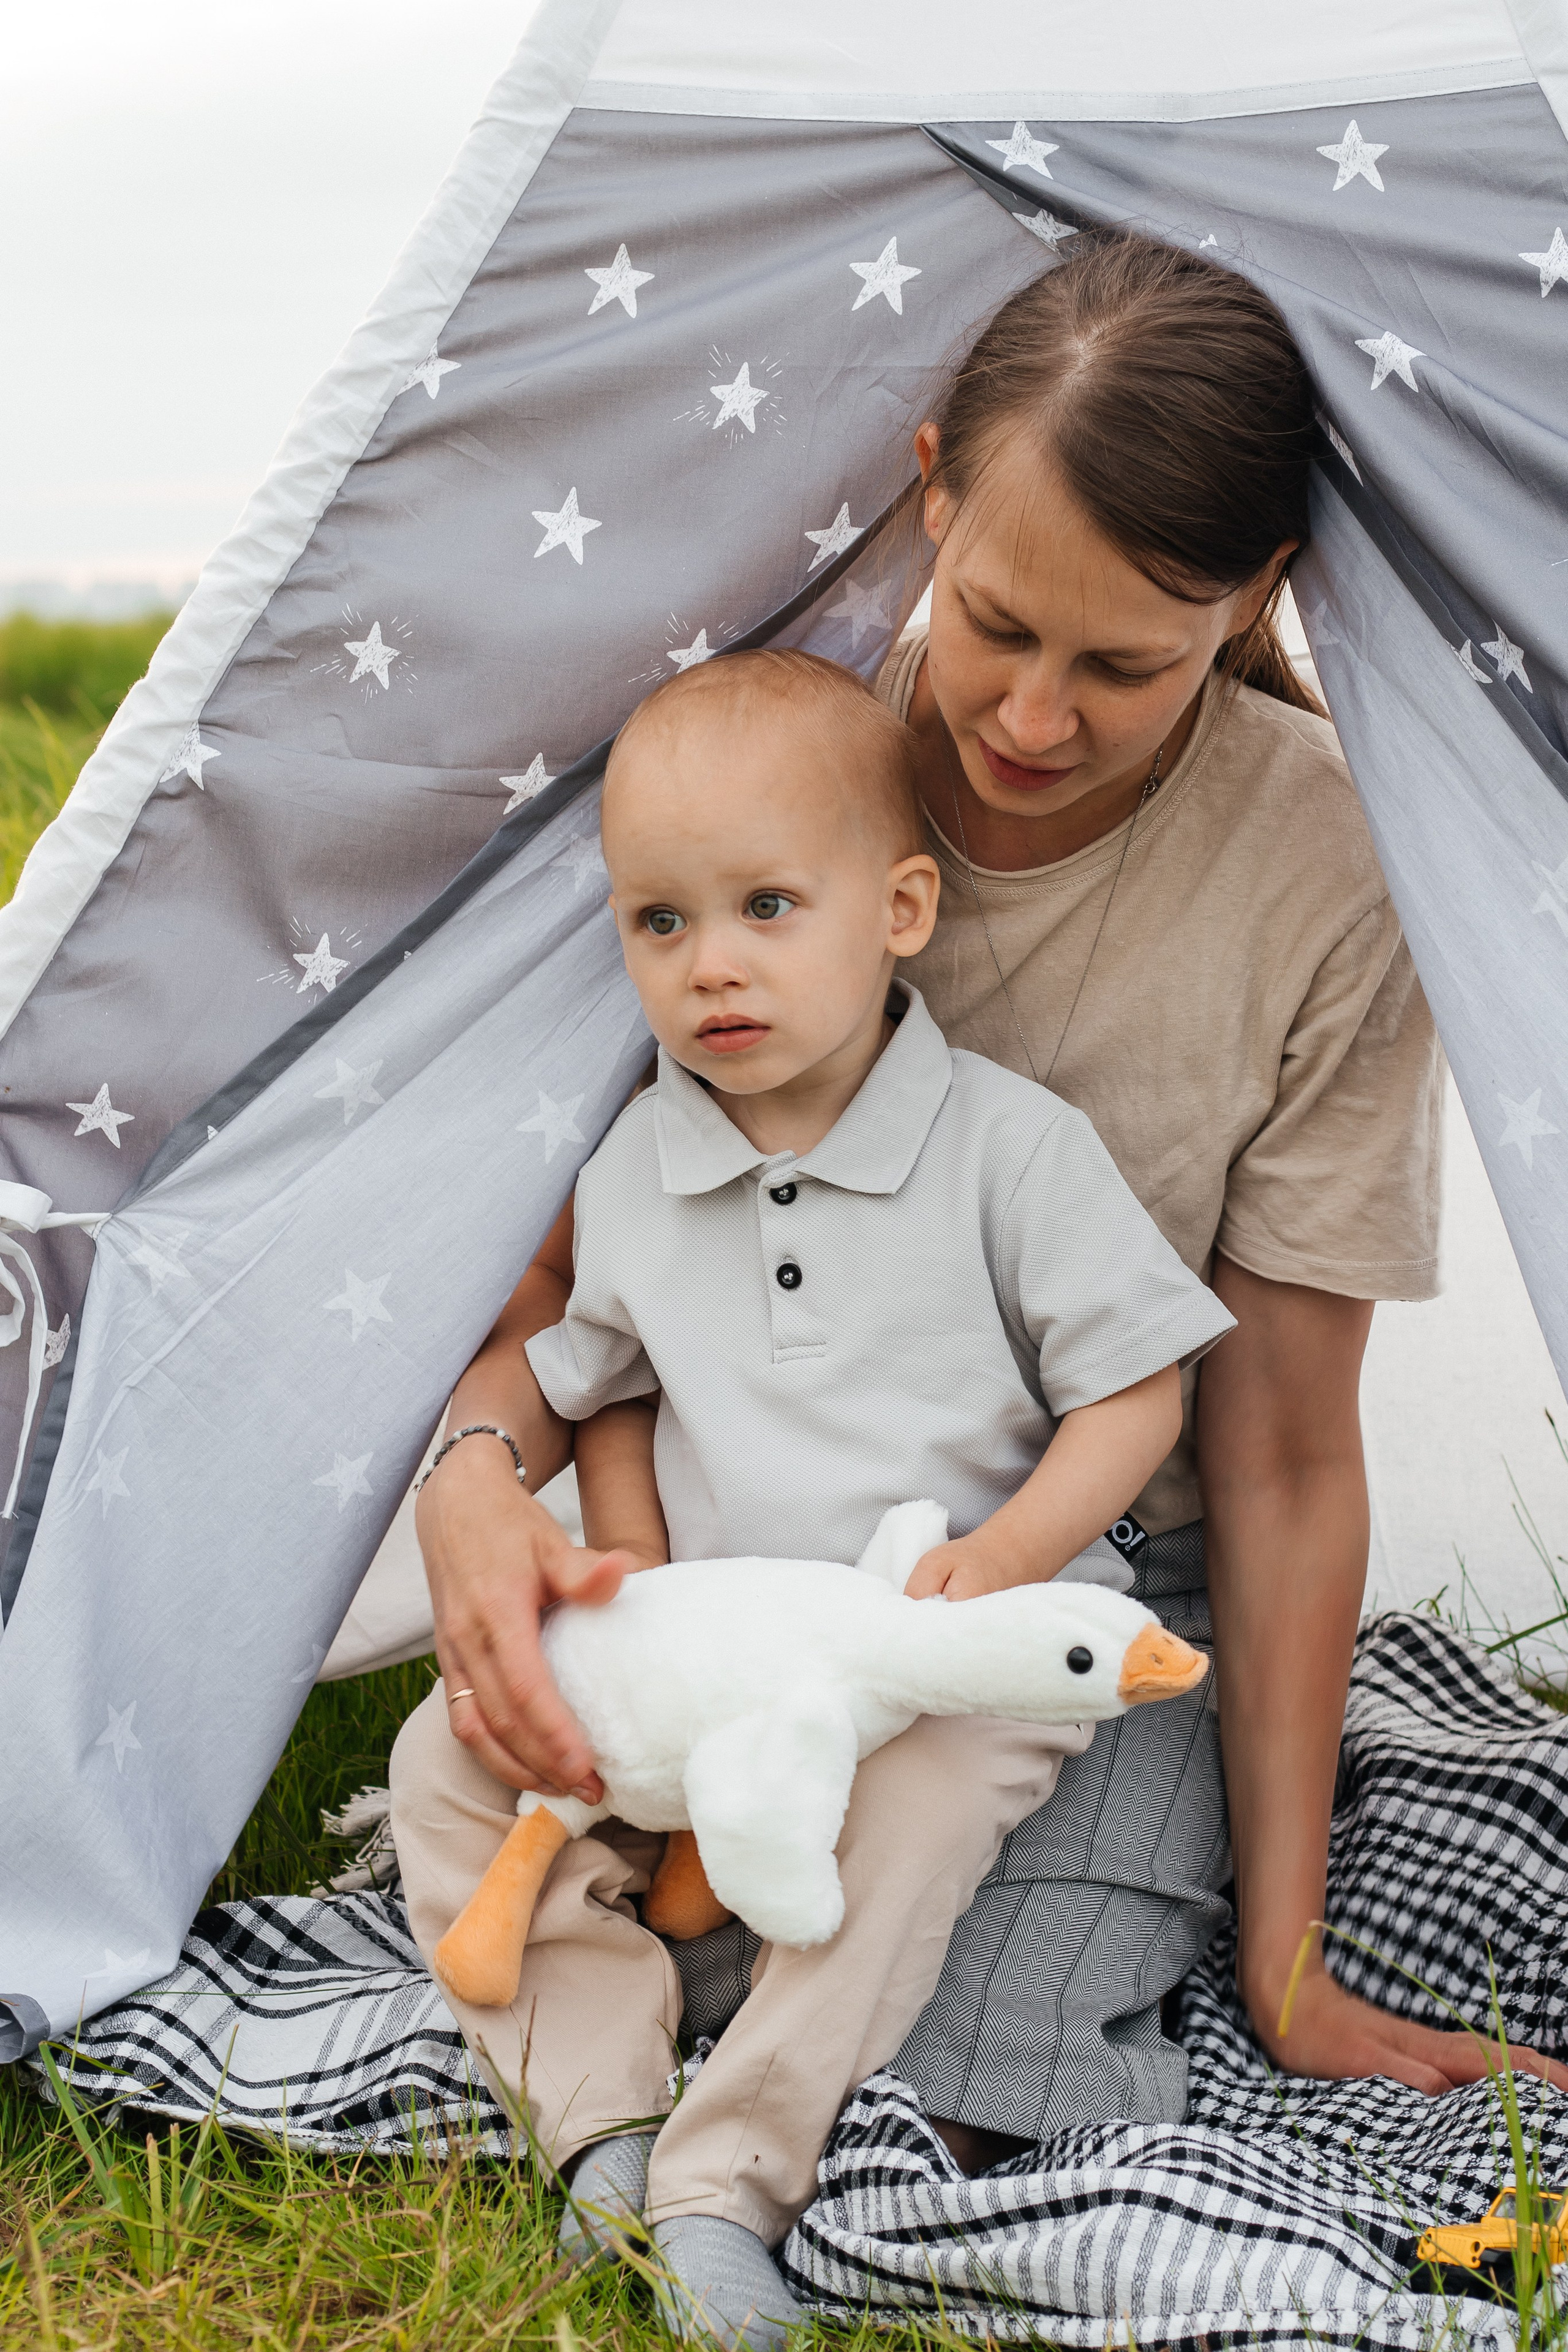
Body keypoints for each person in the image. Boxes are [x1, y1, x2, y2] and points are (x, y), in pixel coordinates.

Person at [408, 233, 1564, 2203]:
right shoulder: (749, 780)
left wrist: (1283, 1964)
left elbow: (1277, 1452)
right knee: (625, 1902)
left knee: (970, 2092)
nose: (1032, 719)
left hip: (1062, 1605)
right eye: (1000, 626)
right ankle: (634, 2108)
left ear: (1256, 596)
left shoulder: (1331, 874)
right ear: (934, 484)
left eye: (1126, 663)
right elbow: (558, 1273)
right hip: (713, 1562)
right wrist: (466, 1488)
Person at [391, 646, 1234, 2346]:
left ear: (900, 909)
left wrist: (1010, 1556)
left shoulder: (1011, 1148)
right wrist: (575, 1530)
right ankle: (603, 2124)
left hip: (939, 1648)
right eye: (663, 924)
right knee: (445, 1759)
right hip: (713, 1657)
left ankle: (730, 2182)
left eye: (770, 907)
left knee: (907, 1825)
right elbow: (590, 1380)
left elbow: (1140, 1378)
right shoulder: (635, 1167)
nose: (715, 968)